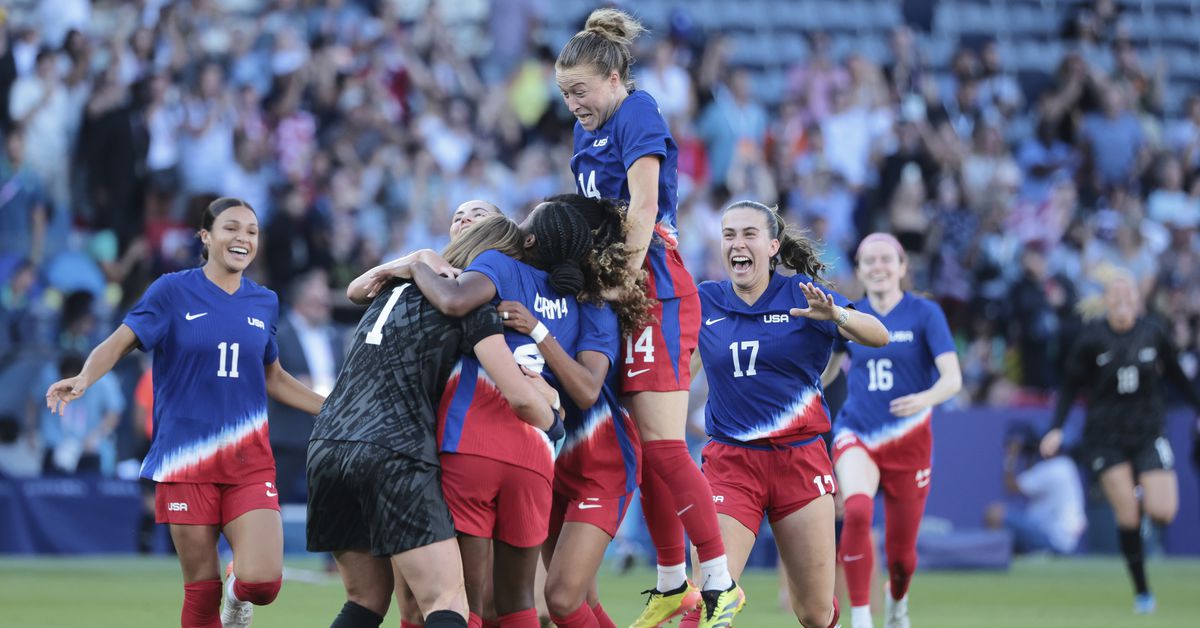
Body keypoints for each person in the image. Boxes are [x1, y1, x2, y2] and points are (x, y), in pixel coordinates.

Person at [45, 198, 325, 628]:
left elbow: (273, 377)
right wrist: (85, 377)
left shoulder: (264, 301)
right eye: (232, 228)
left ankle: (238, 594)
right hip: (184, 461)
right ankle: (222, 595)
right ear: (206, 236)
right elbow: (119, 341)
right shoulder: (171, 291)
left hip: (248, 461)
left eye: (251, 231)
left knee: (262, 582)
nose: (243, 239)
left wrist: (330, 408)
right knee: (200, 591)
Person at [555, 9, 736, 624]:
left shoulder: (639, 110)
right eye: (564, 95)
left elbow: (644, 206)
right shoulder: (589, 129)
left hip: (653, 287)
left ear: (611, 76)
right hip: (620, 293)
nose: (572, 104)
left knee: (663, 446)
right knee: (647, 446)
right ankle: (671, 582)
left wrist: (618, 286)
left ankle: (719, 581)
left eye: (579, 91)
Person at [307, 215, 562, 628]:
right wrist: (554, 419)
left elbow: (355, 291)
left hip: (328, 445)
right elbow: (516, 393)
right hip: (393, 448)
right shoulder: (471, 303)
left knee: (365, 601)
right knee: (448, 601)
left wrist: (412, 260)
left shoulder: (396, 284)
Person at [678, 201, 888, 628]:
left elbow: (878, 334)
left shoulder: (803, 295)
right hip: (730, 464)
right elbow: (681, 369)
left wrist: (837, 315)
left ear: (773, 245)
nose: (737, 243)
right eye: (729, 234)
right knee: (707, 598)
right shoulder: (705, 300)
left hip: (800, 461)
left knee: (813, 612)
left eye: (748, 234)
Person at [406, 203, 593, 628]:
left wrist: (418, 264)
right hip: (536, 454)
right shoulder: (573, 301)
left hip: (472, 442)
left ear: (527, 240)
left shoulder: (499, 266)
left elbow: (453, 301)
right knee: (517, 605)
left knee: (461, 600)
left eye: (523, 219)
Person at [494, 194, 649, 628]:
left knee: (560, 598)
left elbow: (586, 389)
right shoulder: (523, 286)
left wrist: (538, 330)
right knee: (579, 602)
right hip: (551, 462)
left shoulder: (593, 302)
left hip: (603, 464)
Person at [822, 232, 961, 628]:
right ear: (860, 270)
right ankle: (862, 617)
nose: (878, 267)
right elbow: (826, 372)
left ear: (902, 268)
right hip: (858, 432)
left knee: (902, 559)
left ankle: (896, 600)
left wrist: (926, 398)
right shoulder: (851, 314)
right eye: (869, 260)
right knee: (857, 510)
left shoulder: (924, 313)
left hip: (910, 439)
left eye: (887, 259)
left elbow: (953, 378)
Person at [1040, 272, 1200, 615]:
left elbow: (1175, 374)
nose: (1122, 299)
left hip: (1148, 432)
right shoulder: (1091, 339)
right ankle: (1142, 592)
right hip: (1105, 437)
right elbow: (1069, 387)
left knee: (1163, 511)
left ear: (1137, 301)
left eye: (1128, 293)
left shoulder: (1153, 332)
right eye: (1116, 294)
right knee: (1127, 515)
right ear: (1107, 302)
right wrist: (1055, 428)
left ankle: (1141, 494)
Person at [985, 423, 1086, 555]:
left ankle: (992, 557)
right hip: (1059, 536)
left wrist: (1011, 456)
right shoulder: (1066, 466)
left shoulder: (1056, 467)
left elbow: (1011, 487)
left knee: (994, 513)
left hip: (1052, 538)